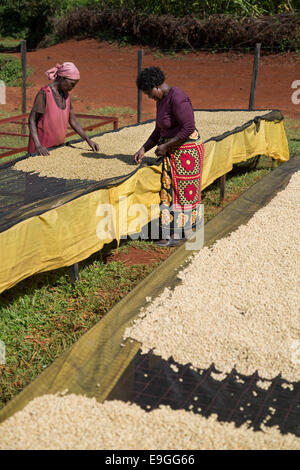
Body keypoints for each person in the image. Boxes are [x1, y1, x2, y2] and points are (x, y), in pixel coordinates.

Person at [134, 66, 204, 247]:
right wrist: (144, 148)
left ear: (156, 86)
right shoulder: (162, 100)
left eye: (150, 93)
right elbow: (159, 129)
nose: (150, 97)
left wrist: (166, 145)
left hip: (185, 152)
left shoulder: (178, 98)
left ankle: (181, 233)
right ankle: (170, 231)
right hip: (172, 150)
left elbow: (188, 127)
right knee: (169, 192)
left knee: (182, 194)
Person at [28, 62, 99, 155]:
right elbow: (32, 120)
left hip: (57, 149)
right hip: (42, 149)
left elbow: (73, 121)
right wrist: (38, 145)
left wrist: (88, 141)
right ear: (62, 78)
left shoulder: (66, 96)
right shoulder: (45, 93)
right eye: (72, 84)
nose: (72, 88)